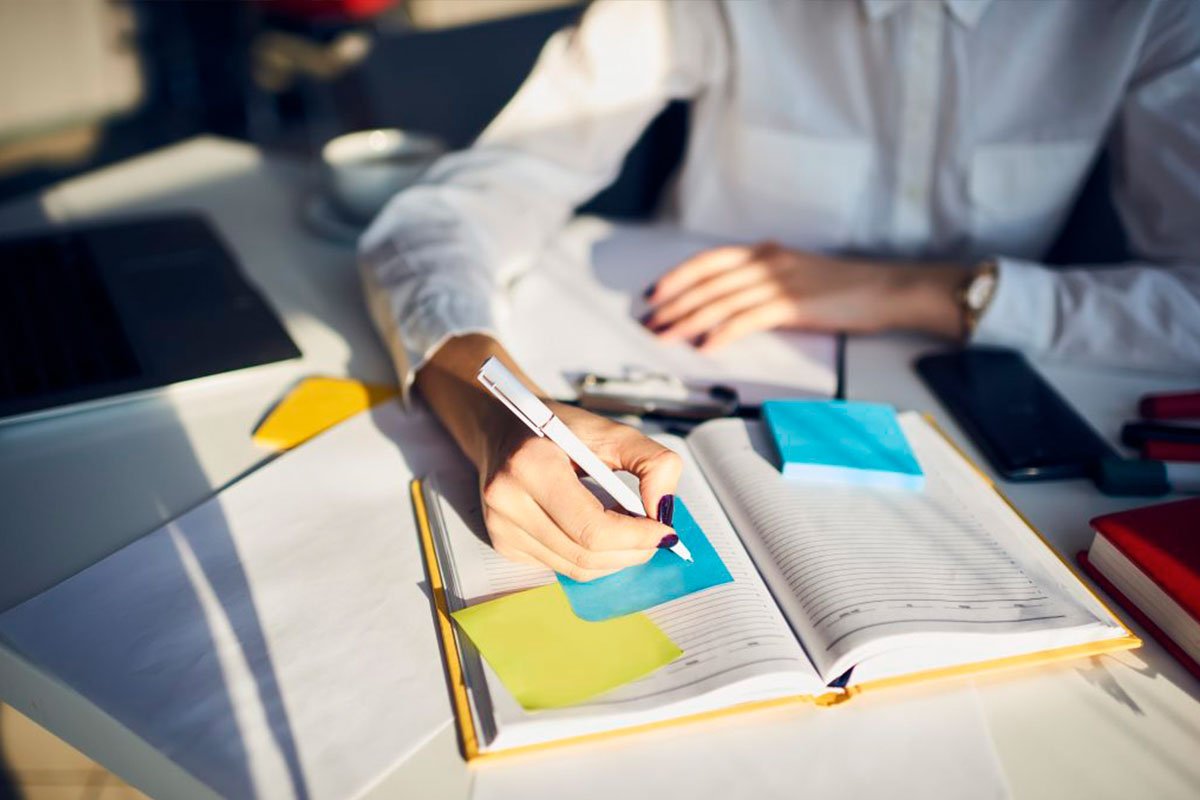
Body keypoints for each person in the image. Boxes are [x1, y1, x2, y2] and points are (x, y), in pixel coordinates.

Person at [359, 0, 1200, 578]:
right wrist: (496, 409)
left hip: (989, 464)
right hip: (688, 388)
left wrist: (935, 292)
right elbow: (443, 217)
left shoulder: (1147, 14)